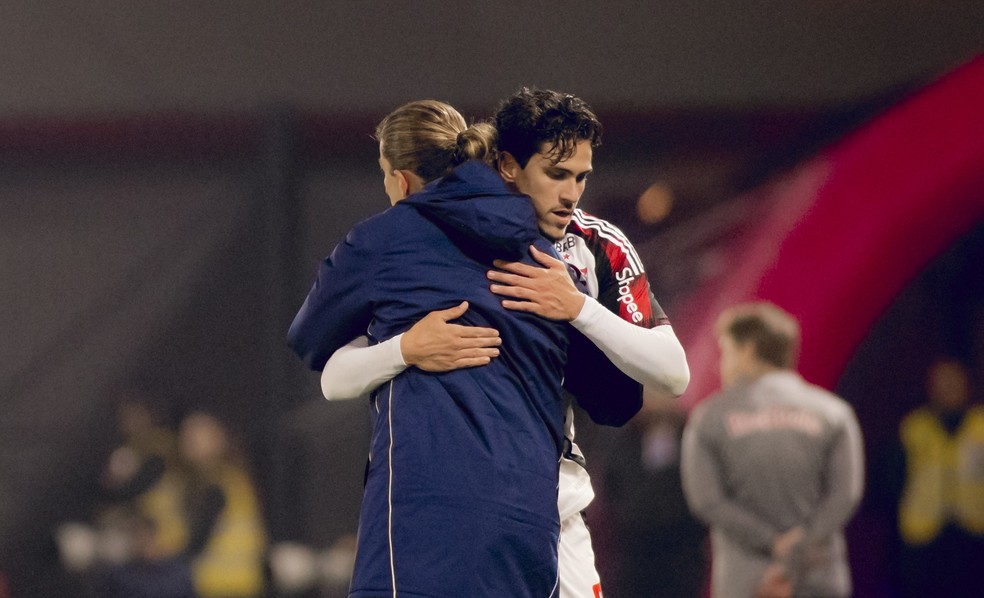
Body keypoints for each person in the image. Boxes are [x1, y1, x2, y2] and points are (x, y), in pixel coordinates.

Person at [318, 89, 691, 598]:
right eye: (556, 175)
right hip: (447, 512)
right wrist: (405, 348)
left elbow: (673, 372)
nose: (571, 194)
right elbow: (336, 372)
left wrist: (577, 307)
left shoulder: (593, 245)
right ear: (508, 166)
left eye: (581, 177)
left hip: (553, 507)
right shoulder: (432, 239)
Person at [680, 302, 864, 598]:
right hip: (817, 576)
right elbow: (845, 495)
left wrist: (771, 541)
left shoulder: (709, 418)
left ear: (748, 350)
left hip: (745, 581)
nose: (720, 365)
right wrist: (801, 543)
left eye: (726, 352)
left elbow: (707, 500)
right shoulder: (835, 414)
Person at [889, 357, 984, 597]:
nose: (948, 389)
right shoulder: (913, 427)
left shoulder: (980, 426)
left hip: (974, 536)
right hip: (924, 539)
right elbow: (891, 482)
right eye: (941, 384)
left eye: (954, 382)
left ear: (968, 385)